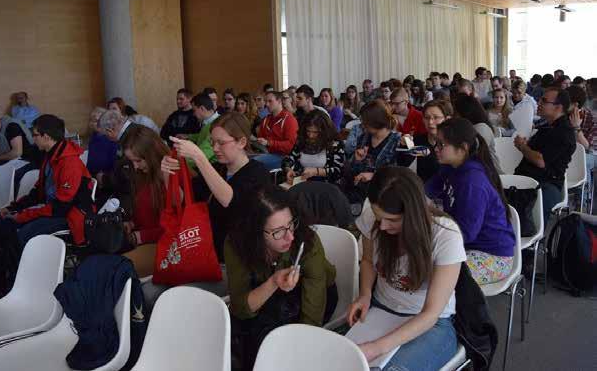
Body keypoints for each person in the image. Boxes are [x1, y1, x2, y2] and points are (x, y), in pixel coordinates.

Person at [346, 167, 464, 370]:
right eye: (378, 217)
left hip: (431, 324)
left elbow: (430, 314)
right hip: (381, 310)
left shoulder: (445, 235)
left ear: (414, 214)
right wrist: (365, 294)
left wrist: (376, 348)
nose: (382, 226)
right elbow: (367, 261)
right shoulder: (372, 217)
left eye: (392, 220)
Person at [225, 187, 337, 370]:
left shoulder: (306, 240)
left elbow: (311, 317)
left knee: (275, 340)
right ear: (255, 232)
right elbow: (240, 307)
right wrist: (273, 282)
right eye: (277, 231)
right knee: (242, 333)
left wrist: (299, 352)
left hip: (313, 292)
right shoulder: (237, 244)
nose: (290, 236)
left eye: (291, 223)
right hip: (270, 293)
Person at [162, 112, 272, 258]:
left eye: (221, 143)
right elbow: (180, 201)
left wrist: (199, 157)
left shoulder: (258, 172)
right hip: (207, 252)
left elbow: (229, 200)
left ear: (242, 142)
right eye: (212, 142)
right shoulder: (216, 169)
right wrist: (167, 174)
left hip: (239, 256)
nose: (215, 148)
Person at [426, 118, 515, 285]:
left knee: (435, 276)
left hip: (492, 255)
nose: (435, 149)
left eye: (441, 145)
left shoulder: (472, 182)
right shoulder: (451, 167)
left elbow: (466, 233)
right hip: (466, 244)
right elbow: (427, 192)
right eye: (436, 144)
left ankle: (445, 311)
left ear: (463, 148)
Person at [0, 115, 93, 248]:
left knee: (22, 234)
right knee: (2, 223)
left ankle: (21, 267)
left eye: (34, 135)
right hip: (53, 209)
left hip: (70, 216)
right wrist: (13, 208)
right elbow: (37, 192)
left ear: (46, 137)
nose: (32, 139)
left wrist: (22, 216)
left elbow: (61, 207)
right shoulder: (50, 155)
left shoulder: (69, 162)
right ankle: (9, 267)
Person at [515, 87, 576, 223]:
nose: (539, 103)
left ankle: (535, 242)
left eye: (544, 100)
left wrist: (522, 146)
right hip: (527, 178)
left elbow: (540, 160)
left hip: (547, 184)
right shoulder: (547, 126)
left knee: (525, 222)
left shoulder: (564, 132)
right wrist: (526, 145)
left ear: (558, 107)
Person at [120, 125, 169, 277]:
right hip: (146, 240)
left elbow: (174, 227)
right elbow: (146, 212)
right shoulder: (145, 174)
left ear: (152, 154)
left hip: (163, 245)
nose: (135, 166)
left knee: (115, 270)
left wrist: (141, 236)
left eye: (139, 161)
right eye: (132, 161)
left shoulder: (168, 175)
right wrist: (132, 224)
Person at [342, 100, 401, 205]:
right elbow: (352, 172)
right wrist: (356, 160)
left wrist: (374, 175)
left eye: (364, 121)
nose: (362, 124)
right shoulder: (363, 138)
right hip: (359, 194)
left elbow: (399, 175)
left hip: (384, 196)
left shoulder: (397, 141)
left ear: (376, 121)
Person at [0, 107, 41, 189]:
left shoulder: (11, 125)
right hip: (10, 163)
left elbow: (17, 152)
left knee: (6, 176)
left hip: (28, 159)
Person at [282, 110, 345, 185]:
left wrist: (316, 171)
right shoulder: (302, 140)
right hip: (302, 182)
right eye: (308, 131)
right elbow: (289, 158)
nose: (310, 135)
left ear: (324, 131)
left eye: (315, 132)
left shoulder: (335, 144)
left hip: (326, 186)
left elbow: (338, 171)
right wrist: (288, 169)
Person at [398, 100, 453, 182]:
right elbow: (403, 164)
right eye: (427, 118)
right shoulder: (418, 140)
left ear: (447, 119)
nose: (430, 122)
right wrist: (404, 145)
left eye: (436, 117)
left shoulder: (454, 143)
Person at [453, 94, 502, 173]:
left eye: (456, 112)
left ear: (464, 113)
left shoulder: (481, 128)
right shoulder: (469, 127)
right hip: (477, 171)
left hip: (490, 175)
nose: (454, 116)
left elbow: (469, 155)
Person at [255, 91, 298, 170]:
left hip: (283, 157)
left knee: (254, 163)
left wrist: (269, 143)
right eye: (266, 101)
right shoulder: (265, 120)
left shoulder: (289, 119)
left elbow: (289, 146)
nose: (267, 104)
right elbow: (261, 140)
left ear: (279, 101)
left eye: (270, 101)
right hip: (266, 153)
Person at [567, 85, 595, 205]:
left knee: (581, 160)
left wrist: (576, 128)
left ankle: (583, 199)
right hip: (570, 152)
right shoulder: (562, 115)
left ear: (576, 105)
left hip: (591, 154)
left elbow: (587, 147)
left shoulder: (590, 117)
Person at [182, 93, 220, 171]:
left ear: (202, 108)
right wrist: (188, 136)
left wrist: (180, 159)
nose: (193, 114)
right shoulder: (211, 122)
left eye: (194, 110)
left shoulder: (216, 126)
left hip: (213, 169)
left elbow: (201, 155)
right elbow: (203, 136)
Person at [86, 107, 118, 177]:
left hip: (105, 175)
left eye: (99, 121)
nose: (97, 124)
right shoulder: (94, 136)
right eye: (94, 120)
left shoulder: (109, 138)